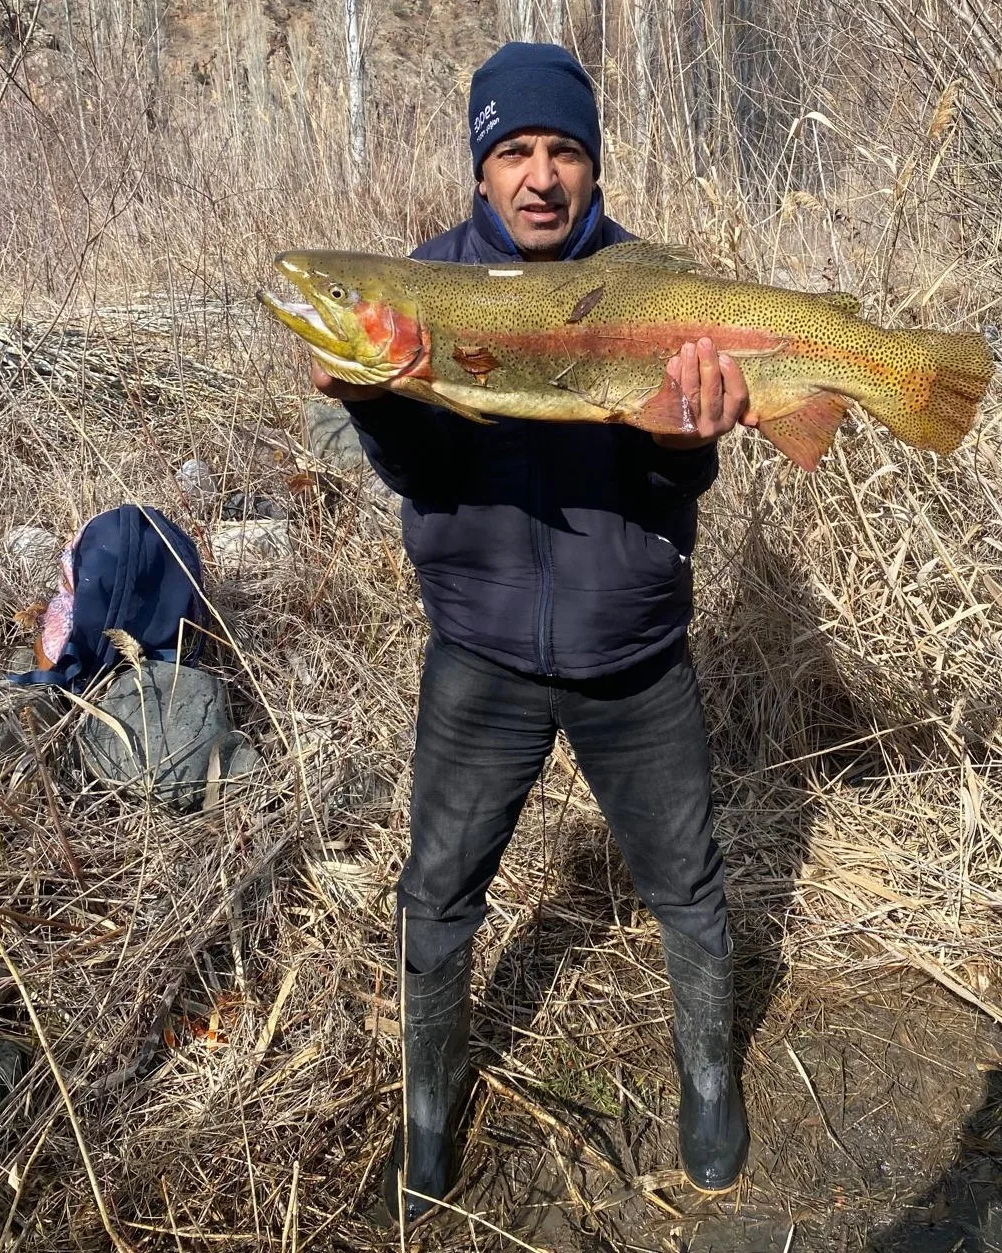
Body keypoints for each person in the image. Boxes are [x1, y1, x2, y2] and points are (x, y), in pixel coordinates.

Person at [312, 42, 753, 1223]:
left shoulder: (653, 286)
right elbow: (433, 480)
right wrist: (379, 405)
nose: (542, 175)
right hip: (481, 651)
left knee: (691, 886)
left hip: (636, 652)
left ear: (591, 163)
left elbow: (677, 493)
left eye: (564, 150)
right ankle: (427, 1115)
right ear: (482, 167)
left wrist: (685, 441)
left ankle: (710, 1086)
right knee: (437, 890)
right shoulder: (426, 287)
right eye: (515, 151)